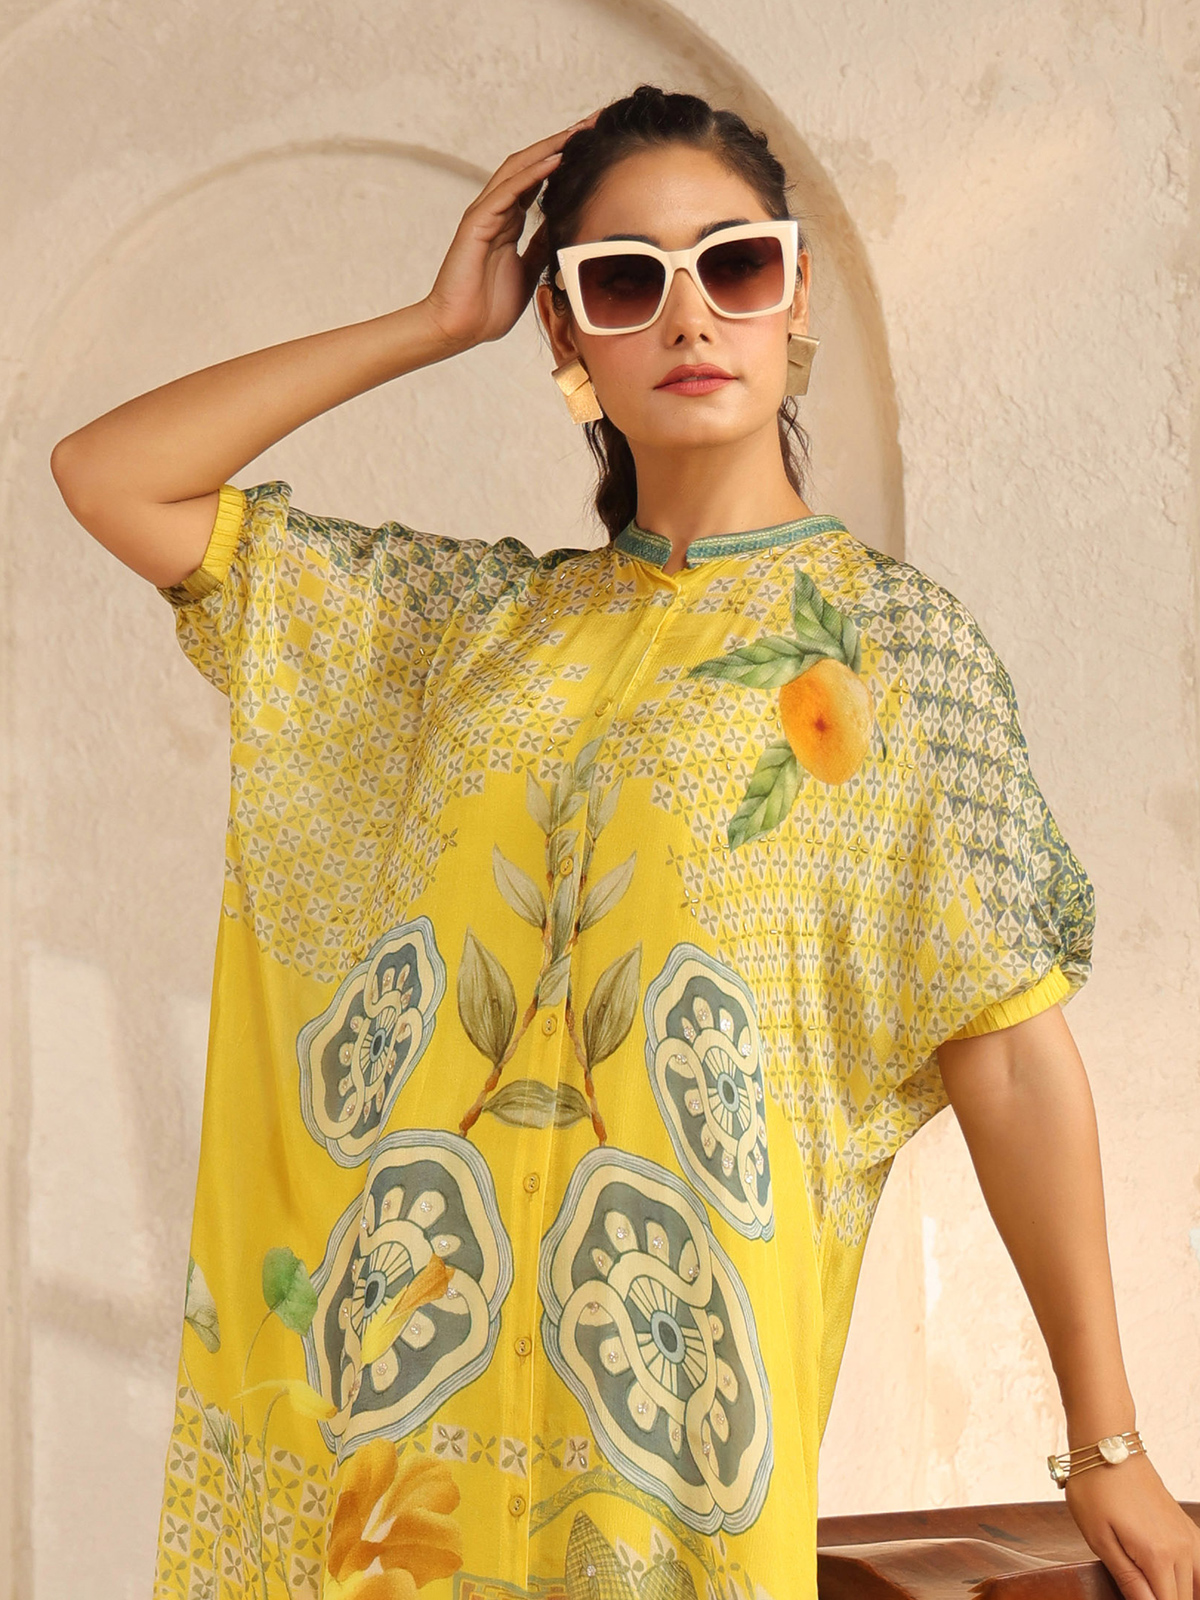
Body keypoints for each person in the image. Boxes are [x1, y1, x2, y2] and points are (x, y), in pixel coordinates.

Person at [50, 82, 1197, 1600]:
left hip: (672, 1438)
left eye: (734, 264)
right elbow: (112, 475)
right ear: (566, 331)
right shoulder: (465, 632)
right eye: (623, 281)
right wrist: (432, 324)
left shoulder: (892, 658)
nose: (688, 316)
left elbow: (1012, 1055)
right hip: (408, 1435)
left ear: (793, 301)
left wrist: (1108, 1445)